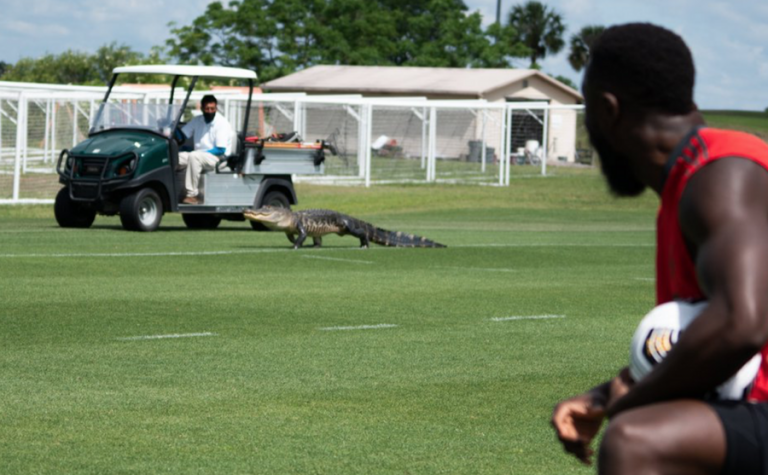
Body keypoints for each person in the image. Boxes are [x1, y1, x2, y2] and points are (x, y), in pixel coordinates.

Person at [550, 23, 768, 475]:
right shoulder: (694, 182)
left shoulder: (722, 176)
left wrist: (625, 408)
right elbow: (696, 336)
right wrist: (605, 395)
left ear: (608, 110)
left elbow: (742, 324)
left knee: (636, 442)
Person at [177, 94, 233, 204]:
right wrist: (170, 134)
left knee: (194, 156)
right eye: (207, 109)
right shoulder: (198, 120)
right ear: (202, 108)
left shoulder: (221, 123)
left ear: (216, 108)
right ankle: (175, 190)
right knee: (175, 157)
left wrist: (199, 152)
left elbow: (220, 150)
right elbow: (182, 134)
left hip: (217, 158)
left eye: (212, 109)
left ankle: (192, 195)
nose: (210, 111)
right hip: (199, 156)